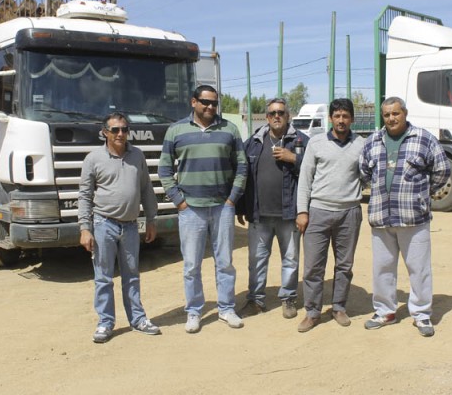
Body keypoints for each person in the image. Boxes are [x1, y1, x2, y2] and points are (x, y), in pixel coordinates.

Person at [158, 85, 248, 334]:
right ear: (193, 102)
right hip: (191, 210)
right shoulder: (176, 130)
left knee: (225, 262)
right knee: (191, 265)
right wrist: (179, 201)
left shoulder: (229, 130)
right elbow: (164, 170)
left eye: (214, 103)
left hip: (222, 207)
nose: (210, 107)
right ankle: (194, 311)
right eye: (205, 102)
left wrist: (232, 199)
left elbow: (242, 166)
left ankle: (227, 308)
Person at [359, 96, 450, 337]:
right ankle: (385, 311)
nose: (391, 118)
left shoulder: (423, 138)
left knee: (418, 268)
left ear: (405, 113)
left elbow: (442, 169)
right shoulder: (372, 141)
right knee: (382, 268)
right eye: (387, 114)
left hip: (413, 217)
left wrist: (422, 194)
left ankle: (421, 314)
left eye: (395, 113)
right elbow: (364, 172)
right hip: (381, 216)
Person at [78, 111, 160, 343]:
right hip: (104, 224)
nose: (121, 134)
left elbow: (146, 188)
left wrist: (152, 219)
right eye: (115, 130)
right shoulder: (93, 159)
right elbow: (84, 195)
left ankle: (138, 319)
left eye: (124, 129)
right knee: (103, 277)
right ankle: (105, 323)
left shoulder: (137, 155)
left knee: (132, 276)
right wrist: (85, 228)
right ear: (105, 132)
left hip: (131, 227)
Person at [295, 98, 365, 333]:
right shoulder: (316, 144)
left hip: (350, 213)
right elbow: (305, 180)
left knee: (344, 265)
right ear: (330, 119)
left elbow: (367, 176)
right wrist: (302, 211)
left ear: (352, 119)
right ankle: (312, 312)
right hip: (318, 212)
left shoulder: (361, 144)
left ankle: (339, 308)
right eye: (337, 116)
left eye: (346, 116)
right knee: (313, 266)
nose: (341, 120)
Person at [236, 98, 309, 319]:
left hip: (289, 214)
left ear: (288, 116)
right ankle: (256, 300)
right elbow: (243, 175)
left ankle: (288, 299)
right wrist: (241, 206)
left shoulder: (301, 141)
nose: (276, 116)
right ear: (267, 117)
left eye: (281, 112)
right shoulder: (254, 142)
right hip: (259, 215)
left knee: (290, 259)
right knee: (257, 259)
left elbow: (312, 173)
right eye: (272, 113)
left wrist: (293, 158)